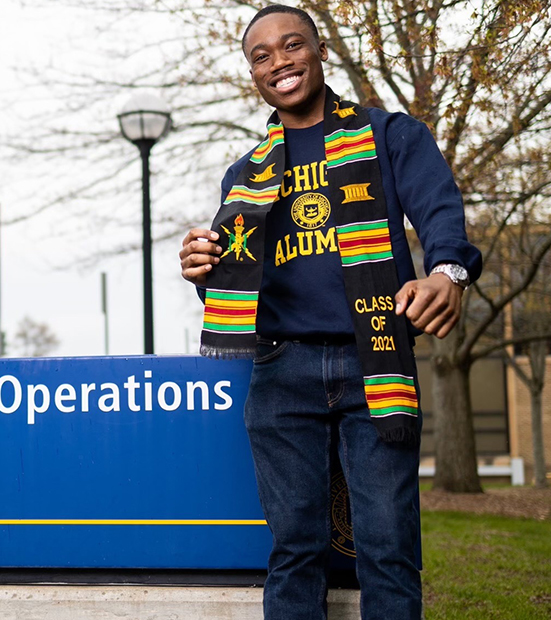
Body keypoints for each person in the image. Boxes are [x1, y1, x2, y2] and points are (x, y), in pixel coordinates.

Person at [179, 5, 481, 620]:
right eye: (261, 56)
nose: (278, 62)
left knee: (388, 548)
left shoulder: (390, 136)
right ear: (253, 74)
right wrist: (201, 272)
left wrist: (449, 273)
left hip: (373, 358)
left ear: (319, 52)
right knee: (294, 550)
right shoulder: (245, 174)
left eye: (291, 46)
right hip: (280, 371)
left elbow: (441, 214)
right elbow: (232, 295)